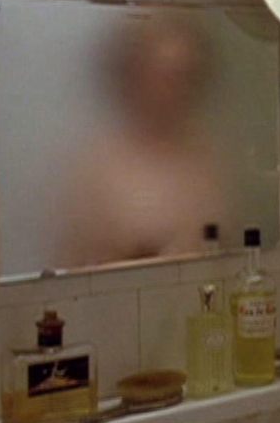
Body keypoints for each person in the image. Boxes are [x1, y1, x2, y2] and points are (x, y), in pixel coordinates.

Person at [56, 15, 229, 269]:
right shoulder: (97, 165)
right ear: (133, 77)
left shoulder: (206, 155)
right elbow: (75, 265)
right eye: (164, 76)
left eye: (186, 77)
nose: (177, 90)